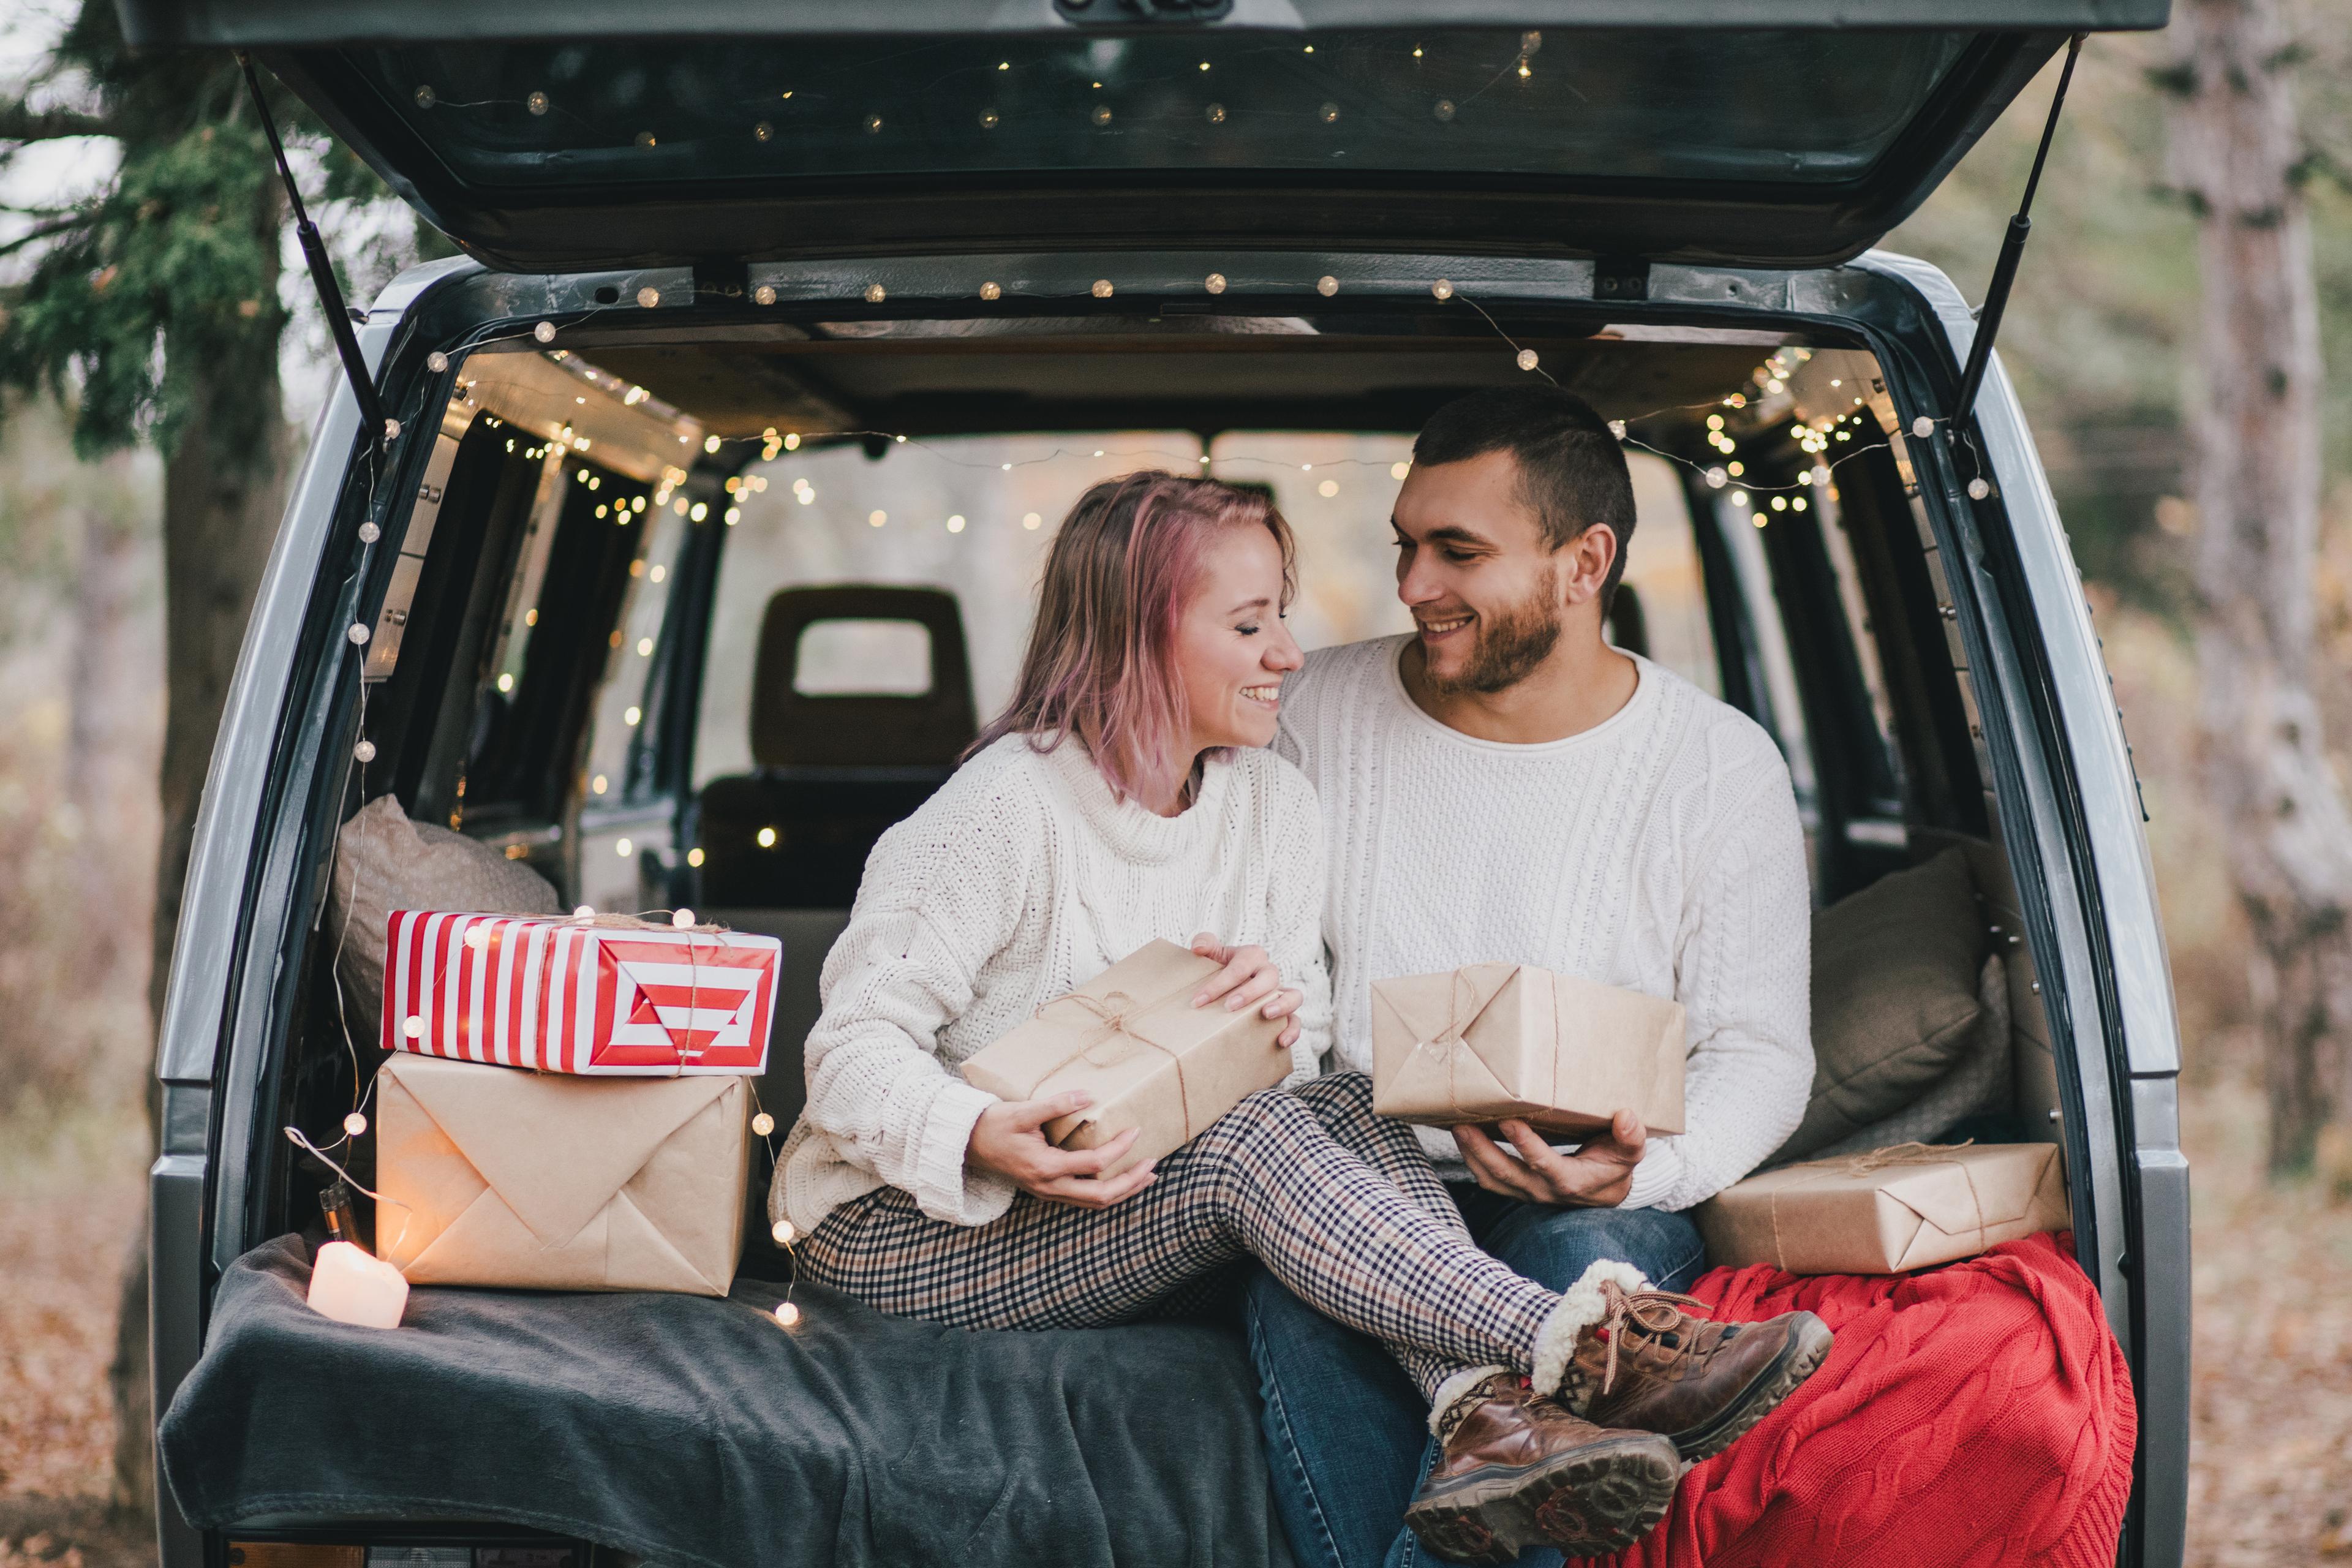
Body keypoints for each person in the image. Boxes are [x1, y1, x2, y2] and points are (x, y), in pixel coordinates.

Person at [772, 471, 1708, 1562]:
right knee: (1258, 1146)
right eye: (1250, 623)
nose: (1289, 654)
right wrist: (981, 1133)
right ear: (1139, 635)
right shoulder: (1000, 814)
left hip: (1126, 1190)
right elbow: (846, 1055)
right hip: (904, 1226)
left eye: (1284, 616)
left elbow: (1294, 1074)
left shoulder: (1273, 808)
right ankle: (1586, 1347)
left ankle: (1480, 1414)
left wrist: (1274, 1018)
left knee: (1354, 1100)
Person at [1253, 386, 1829, 1568]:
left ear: (1585, 562)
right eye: (1406, 545)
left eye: (1458, 552)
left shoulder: (1715, 766)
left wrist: (1644, 1166)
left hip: (1596, 1196)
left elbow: (1762, 1052)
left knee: (1588, 1273)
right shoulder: (1307, 716)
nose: (1413, 585)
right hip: (1353, 1191)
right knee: (1313, 1294)